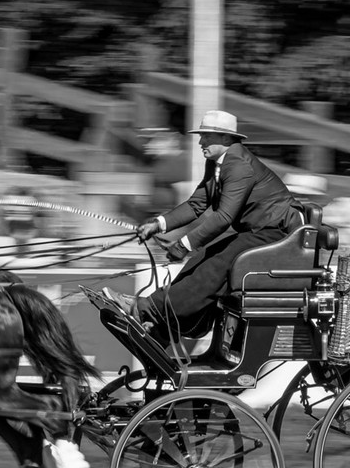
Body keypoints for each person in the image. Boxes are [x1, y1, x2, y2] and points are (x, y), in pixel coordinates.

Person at [106, 110, 303, 333]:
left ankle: (148, 309)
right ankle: (183, 323)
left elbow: (224, 217)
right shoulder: (217, 163)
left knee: (218, 262)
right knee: (201, 258)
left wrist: (183, 244)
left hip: (277, 233)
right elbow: (196, 204)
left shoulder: (239, 165)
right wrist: (157, 224)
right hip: (258, 232)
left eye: (207, 136)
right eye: (201, 136)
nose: (201, 141)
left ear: (227, 139)